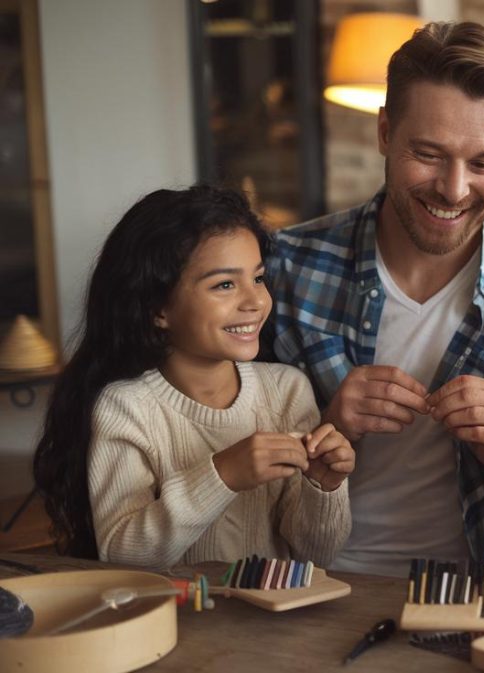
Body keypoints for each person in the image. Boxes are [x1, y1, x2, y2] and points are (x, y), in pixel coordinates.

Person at [264, 21, 484, 574]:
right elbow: (225, 476)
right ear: (385, 133)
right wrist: (330, 423)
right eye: (429, 153)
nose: (453, 188)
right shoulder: (284, 268)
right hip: (311, 585)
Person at [33, 186, 353, 567]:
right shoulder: (126, 407)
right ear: (158, 307)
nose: (255, 302)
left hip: (273, 623)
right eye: (224, 284)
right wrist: (223, 475)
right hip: (175, 623)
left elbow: (318, 554)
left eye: (258, 278)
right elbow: (123, 556)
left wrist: (323, 486)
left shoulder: (286, 391)